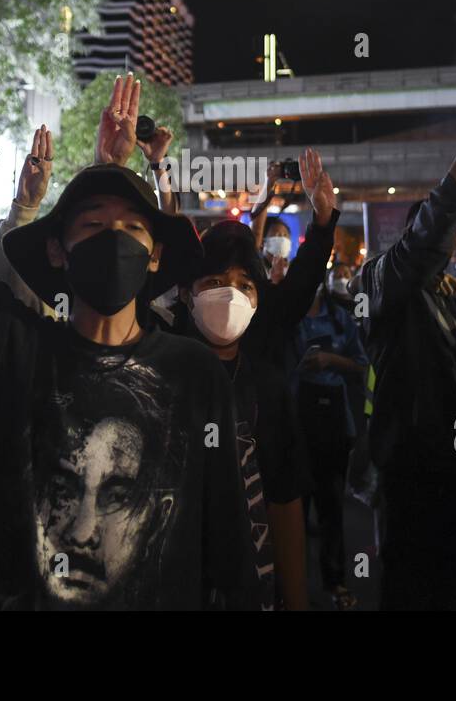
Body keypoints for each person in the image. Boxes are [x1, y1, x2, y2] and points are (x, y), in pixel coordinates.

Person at [0, 0, 255, 609]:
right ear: (56, 250)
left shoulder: (192, 373)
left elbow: (229, 552)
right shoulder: (15, 352)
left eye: (134, 227)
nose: (116, 236)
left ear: (156, 258)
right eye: (92, 223)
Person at [166, 149, 340, 610]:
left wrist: (324, 226)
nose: (229, 294)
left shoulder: (267, 385)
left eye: (244, 284)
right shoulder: (161, 371)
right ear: (185, 293)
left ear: (258, 299)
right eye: (215, 280)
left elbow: (284, 502)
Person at [358, 102, 456, 610]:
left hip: (454, 468)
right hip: (405, 466)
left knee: (451, 575)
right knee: (409, 582)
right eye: (444, 240)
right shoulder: (381, 283)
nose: (452, 250)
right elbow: (421, 247)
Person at [290, 268, 368, 609]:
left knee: (331, 507)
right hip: (295, 423)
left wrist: (330, 359)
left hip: (334, 424)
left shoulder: (340, 318)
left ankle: (335, 582)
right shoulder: (287, 318)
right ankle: (290, 588)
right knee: (292, 509)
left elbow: (361, 363)